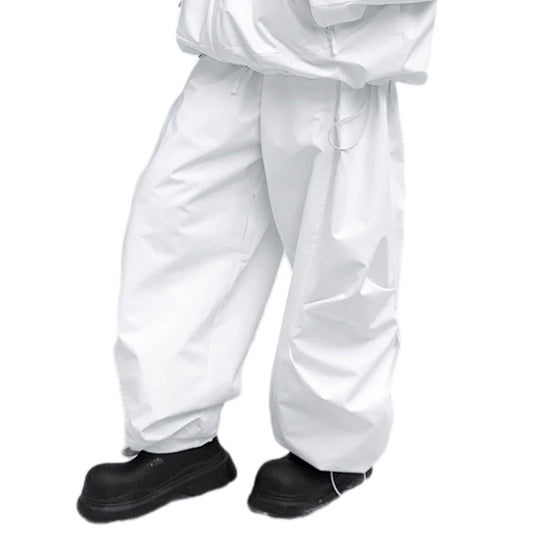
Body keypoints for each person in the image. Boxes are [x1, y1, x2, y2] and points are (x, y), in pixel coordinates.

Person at [77, 0, 437, 521]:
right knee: (178, 231)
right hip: (231, 43)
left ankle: (334, 449)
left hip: (331, 53)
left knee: (339, 262)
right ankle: (178, 440)